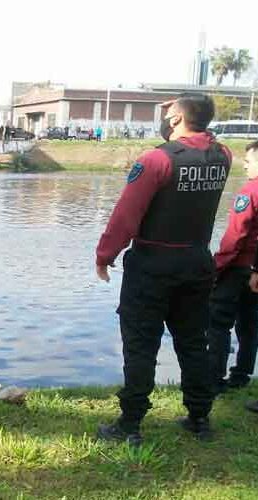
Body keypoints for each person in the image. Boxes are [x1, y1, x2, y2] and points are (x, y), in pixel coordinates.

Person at [95, 94, 231, 445]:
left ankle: (130, 424)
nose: (165, 118)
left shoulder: (157, 159)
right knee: (192, 342)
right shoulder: (223, 155)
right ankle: (200, 418)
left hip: (153, 264)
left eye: (168, 113)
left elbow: (127, 214)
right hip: (198, 262)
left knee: (140, 344)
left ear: (176, 121)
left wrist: (105, 254)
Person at [207, 141, 258, 395]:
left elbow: (236, 236)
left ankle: (214, 378)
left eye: (249, 161)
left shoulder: (249, 192)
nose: (245, 165)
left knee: (218, 323)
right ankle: (242, 373)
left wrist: (216, 266)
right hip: (255, 270)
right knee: (250, 324)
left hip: (237, 268)